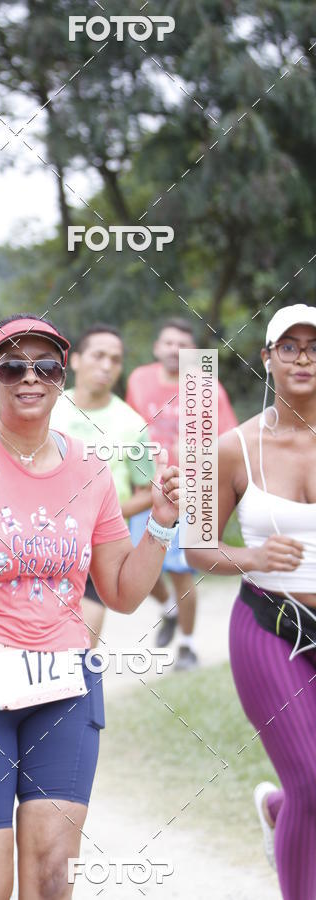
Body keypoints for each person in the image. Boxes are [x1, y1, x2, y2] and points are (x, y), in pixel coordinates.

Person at [0, 313, 180, 899]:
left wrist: (161, 527)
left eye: (45, 366)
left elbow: (120, 592)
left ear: (61, 379)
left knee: (50, 878)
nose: (30, 378)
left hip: (63, 677)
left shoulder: (90, 467)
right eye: (13, 366)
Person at [186, 304, 316, 899]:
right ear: (267, 358)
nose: (303, 357)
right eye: (288, 346)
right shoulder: (230, 448)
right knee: (313, 783)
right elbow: (197, 548)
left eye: (314, 346)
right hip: (269, 626)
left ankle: (276, 808)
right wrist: (256, 558)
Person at [126, 317, 238, 669]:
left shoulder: (207, 387)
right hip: (146, 490)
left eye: (182, 345)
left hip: (190, 495)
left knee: (180, 571)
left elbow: (228, 440)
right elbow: (130, 433)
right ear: (158, 347)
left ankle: (187, 647)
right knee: (134, 568)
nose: (174, 350)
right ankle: (166, 608)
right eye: (168, 342)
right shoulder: (138, 379)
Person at [51, 324, 155, 647]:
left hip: (99, 548)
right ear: (76, 360)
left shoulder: (133, 424)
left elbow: (149, 492)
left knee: (82, 650)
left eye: (115, 359)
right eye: (98, 356)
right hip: (41, 542)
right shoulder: (46, 408)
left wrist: (104, 513)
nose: (107, 366)